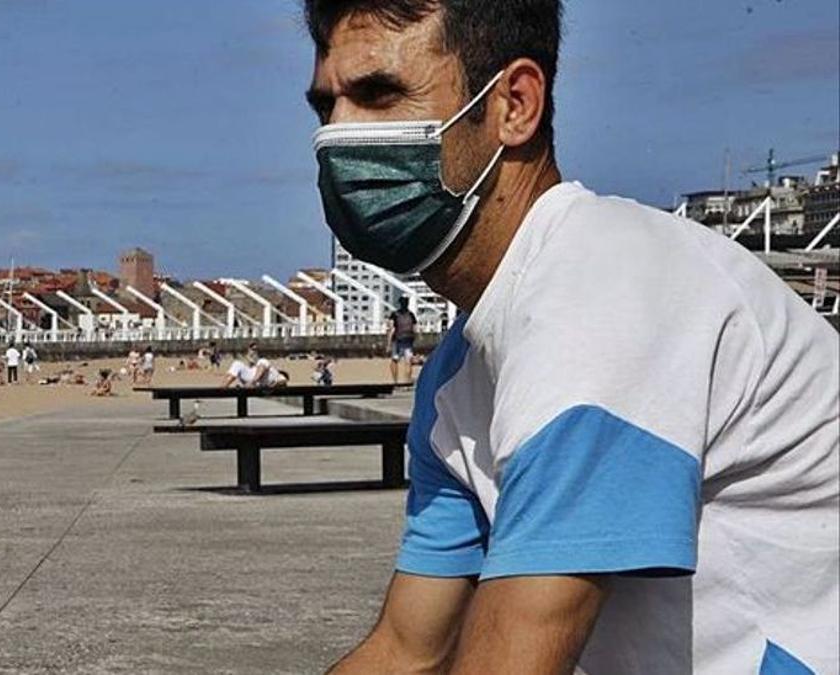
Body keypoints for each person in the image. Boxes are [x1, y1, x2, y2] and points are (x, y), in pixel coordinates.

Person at [303, 2, 838, 673]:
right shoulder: (459, 375)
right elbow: (407, 650)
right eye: (326, 106)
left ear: (515, 105)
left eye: (379, 94)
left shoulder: (606, 298)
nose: (338, 135)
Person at [387, 296, 417, 384]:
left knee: (394, 361)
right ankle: (407, 381)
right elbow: (415, 329)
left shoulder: (394, 314)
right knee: (408, 362)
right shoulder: (411, 314)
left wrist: (388, 344)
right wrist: (415, 339)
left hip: (397, 340)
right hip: (408, 340)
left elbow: (391, 329)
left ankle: (395, 381)